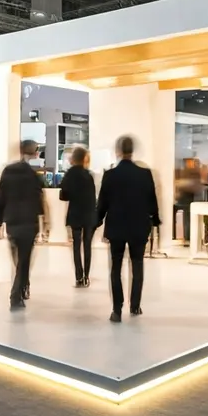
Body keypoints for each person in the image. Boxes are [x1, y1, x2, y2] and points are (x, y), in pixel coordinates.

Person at [96, 135, 160, 323]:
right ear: (133, 151)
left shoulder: (110, 175)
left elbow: (102, 205)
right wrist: (155, 221)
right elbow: (152, 202)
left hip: (116, 227)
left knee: (116, 267)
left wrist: (96, 222)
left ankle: (117, 310)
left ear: (117, 151)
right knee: (137, 265)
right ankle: (135, 305)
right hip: (139, 227)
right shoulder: (145, 174)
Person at [0, 139, 48, 310]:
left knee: (18, 259)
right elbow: (39, 201)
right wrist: (44, 222)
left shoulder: (8, 171)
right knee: (24, 259)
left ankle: (22, 287)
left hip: (12, 221)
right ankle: (17, 293)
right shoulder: (34, 175)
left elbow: (0, 199)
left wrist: (0, 221)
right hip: (29, 222)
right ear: (34, 152)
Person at [59, 146, 97, 287]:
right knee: (87, 246)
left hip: (75, 214)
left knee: (76, 245)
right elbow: (93, 198)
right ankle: (87, 276)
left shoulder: (69, 174)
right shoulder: (89, 175)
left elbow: (64, 195)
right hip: (88, 215)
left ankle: (78, 276)